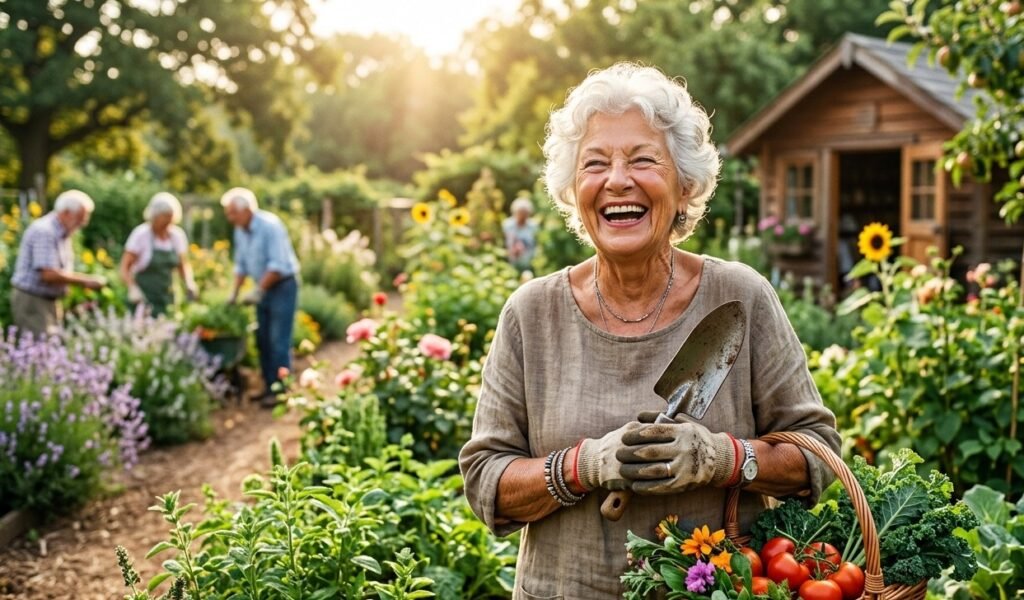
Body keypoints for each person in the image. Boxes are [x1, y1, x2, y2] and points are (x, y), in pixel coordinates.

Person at [459, 63, 841, 599]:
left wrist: (724, 458)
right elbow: (485, 483)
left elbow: (819, 455)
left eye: (643, 160)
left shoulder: (740, 298)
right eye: (595, 163)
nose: (618, 180)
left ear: (684, 186)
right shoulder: (531, 314)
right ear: (573, 190)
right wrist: (580, 467)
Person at [220, 187, 300, 407]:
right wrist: (234, 294)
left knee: (278, 340)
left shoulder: (270, 226)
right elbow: (241, 265)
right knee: (262, 340)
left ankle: (282, 391)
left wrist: (258, 291)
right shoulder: (240, 230)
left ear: (245, 210)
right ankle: (268, 387)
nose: (230, 218)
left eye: (232, 213)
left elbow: (278, 265)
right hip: (263, 288)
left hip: (282, 286)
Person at [10, 189, 107, 337]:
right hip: (33, 300)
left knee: (51, 347)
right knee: (39, 350)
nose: (83, 223)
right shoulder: (45, 231)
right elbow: (48, 274)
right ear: (66, 212)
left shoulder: (61, 233)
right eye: (80, 218)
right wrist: (85, 281)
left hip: (47, 300)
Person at [120, 192, 198, 316]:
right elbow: (124, 267)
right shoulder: (141, 235)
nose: (167, 224)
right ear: (154, 217)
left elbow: (183, 264)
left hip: (168, 297)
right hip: (144, 297)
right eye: (164, 220)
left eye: (170, 220)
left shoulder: (177, 236)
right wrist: (132, 288)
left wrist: (189, 282)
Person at [502, 196, 539, 273]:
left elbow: (537, 244)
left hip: (530, 263)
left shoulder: (534, 226)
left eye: (525, 213)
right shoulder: (508, 225)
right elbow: (504, 243)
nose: (522, 216)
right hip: (512, 263)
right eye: (520, 213)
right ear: (515, 212)